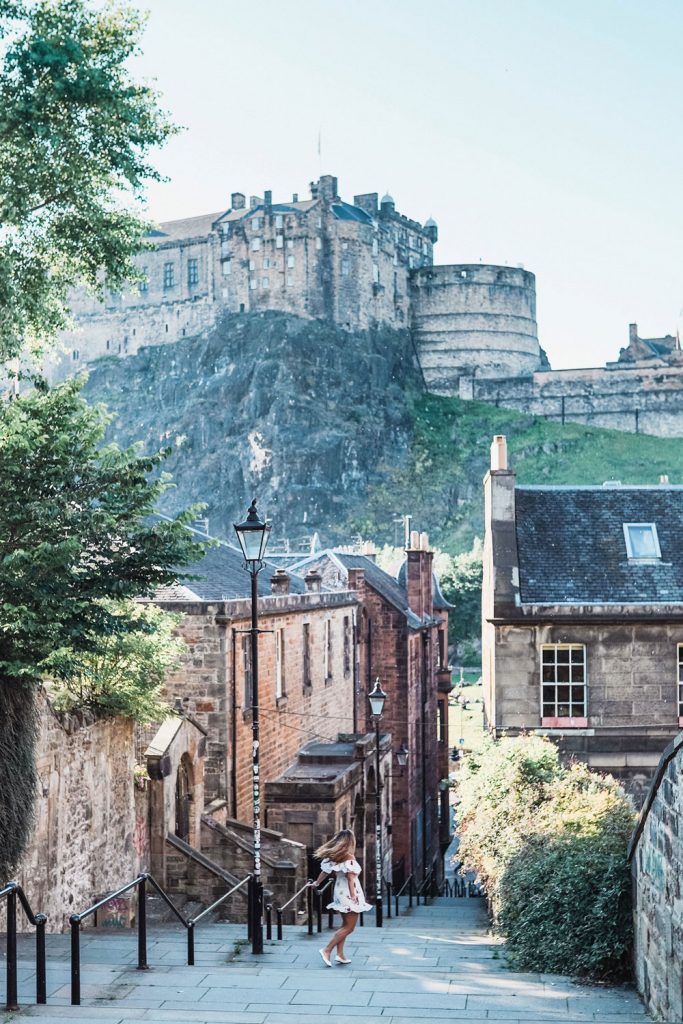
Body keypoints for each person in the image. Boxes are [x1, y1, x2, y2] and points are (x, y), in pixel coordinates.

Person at [312, 828, 372, 967]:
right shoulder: (349, 857)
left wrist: (316, 883)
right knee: (349, 928)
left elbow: (324, 872)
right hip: (349, 892)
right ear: (350, 842)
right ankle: (327, 950)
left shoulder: (334, 857)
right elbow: (350, 878)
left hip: (339, 892)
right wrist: (354, 896)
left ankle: (340, 955)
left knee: (345, 925)